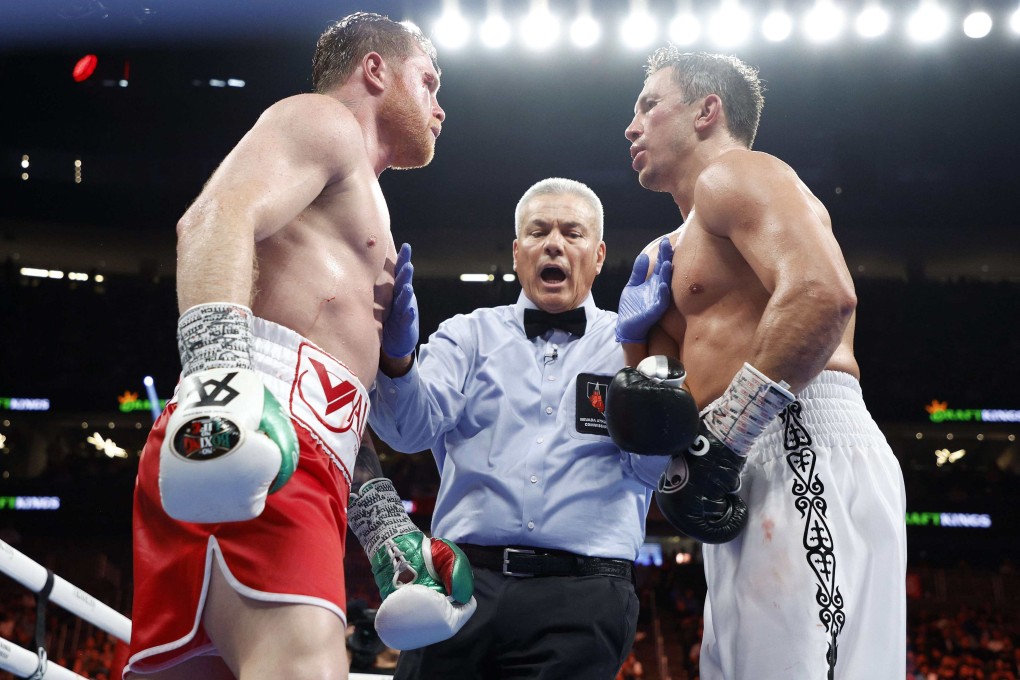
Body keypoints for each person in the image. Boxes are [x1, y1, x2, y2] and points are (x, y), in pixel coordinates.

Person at [125, 13, 474, 679]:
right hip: (254, 442)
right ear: (374, 70)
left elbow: (323, 387)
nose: (441, 107)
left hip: (275, 448)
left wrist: (384, 529)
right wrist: (219, 387)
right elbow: (213, 216)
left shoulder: (358, 196)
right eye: (428, 81)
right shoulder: (325, 121)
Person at [618, 48, 908, 679]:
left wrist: (724, 440)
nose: (630, 126)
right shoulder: (671, 250)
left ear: (706, 111)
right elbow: (658, 409)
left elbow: (822, 294)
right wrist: (635, 340)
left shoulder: (740, 174)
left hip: (798, 435)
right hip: (742, 456)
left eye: (648, 105)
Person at [368, 177, 685, 679]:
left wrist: (652, 359)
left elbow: (651, 474)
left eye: (572, 232)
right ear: (518, 252)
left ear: (598, 255)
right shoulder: (467, 335)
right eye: (538, 231)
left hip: (581, 600)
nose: (554, 242)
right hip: (461, 585)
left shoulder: (630, 348)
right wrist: (397, 359)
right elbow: (406, 432)